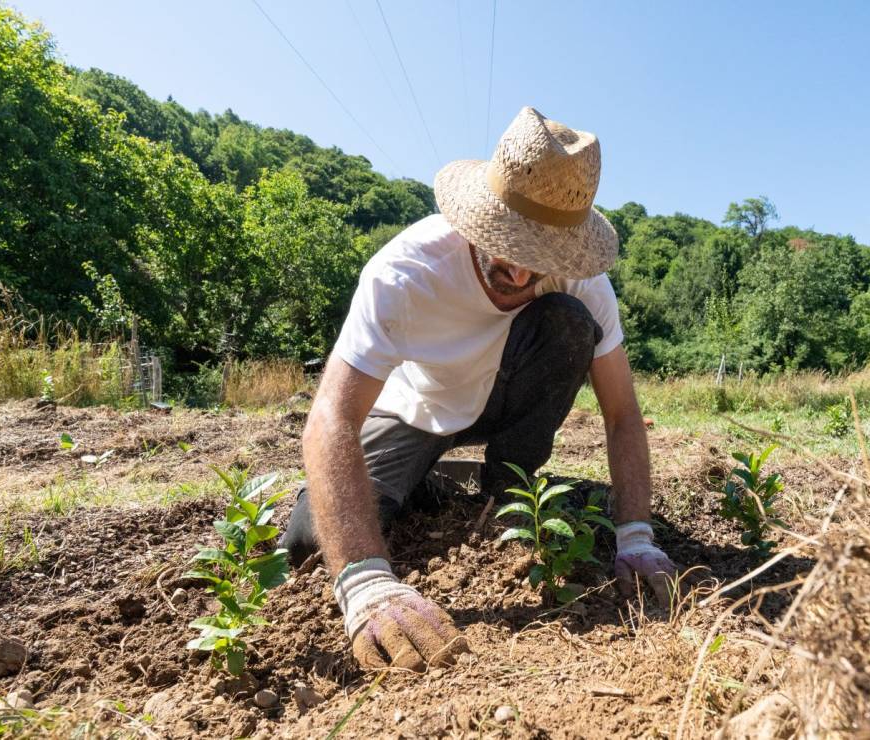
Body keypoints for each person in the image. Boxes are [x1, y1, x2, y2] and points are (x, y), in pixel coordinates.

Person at [279, 107, 686, 672]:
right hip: (417, 407)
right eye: (507, 245)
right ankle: (427, 483)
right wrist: (366, 582)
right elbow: (332, 418)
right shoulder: (406, 272)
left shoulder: (584, 281)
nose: (520, 276)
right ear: (481, 215)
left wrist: (636, 538)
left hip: (506, 395)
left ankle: (506, 490)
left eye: (537, 259)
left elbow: (622, 414)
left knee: (568, 322)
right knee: (307, 542)